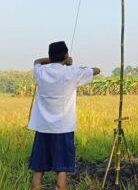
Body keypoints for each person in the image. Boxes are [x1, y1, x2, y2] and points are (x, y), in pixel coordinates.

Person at [28, 41, 100, 190]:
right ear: (66, 55)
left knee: (38, 170)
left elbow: (37, 61)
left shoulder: (41, 72)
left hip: (43, 128)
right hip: (63, 129)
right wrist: (68, 63)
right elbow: (96, 70)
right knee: (61, 170)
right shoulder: (72, 72)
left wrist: (55, 60)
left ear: (50, 56)